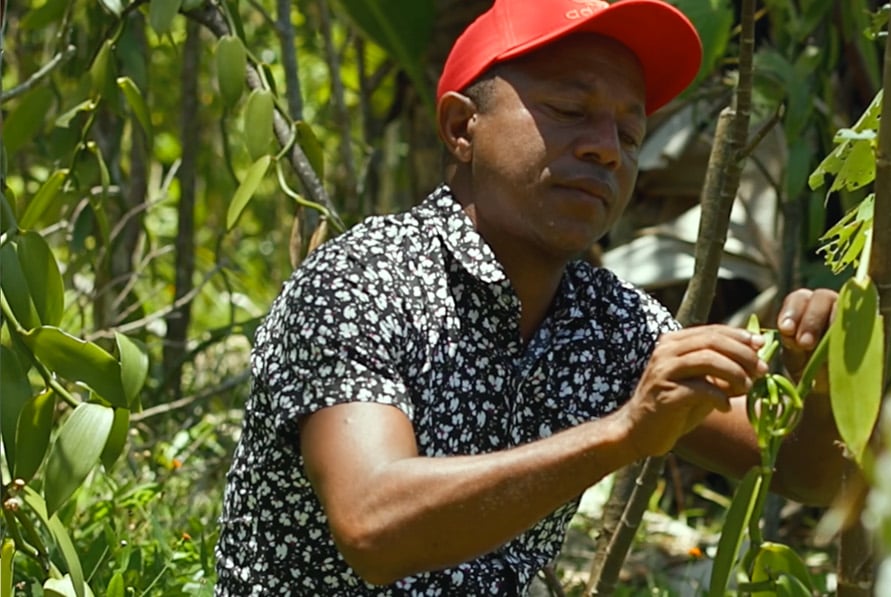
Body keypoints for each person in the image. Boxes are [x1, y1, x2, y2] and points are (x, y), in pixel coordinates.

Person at [214, 0, 847, 593]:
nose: (607, 148)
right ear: (463, 127)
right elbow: (372, 526)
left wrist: (815, 386)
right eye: (571, 112)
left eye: (630, 134)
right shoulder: (359, 281)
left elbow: (802, 473)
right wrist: (623, 433)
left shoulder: (609, 322)